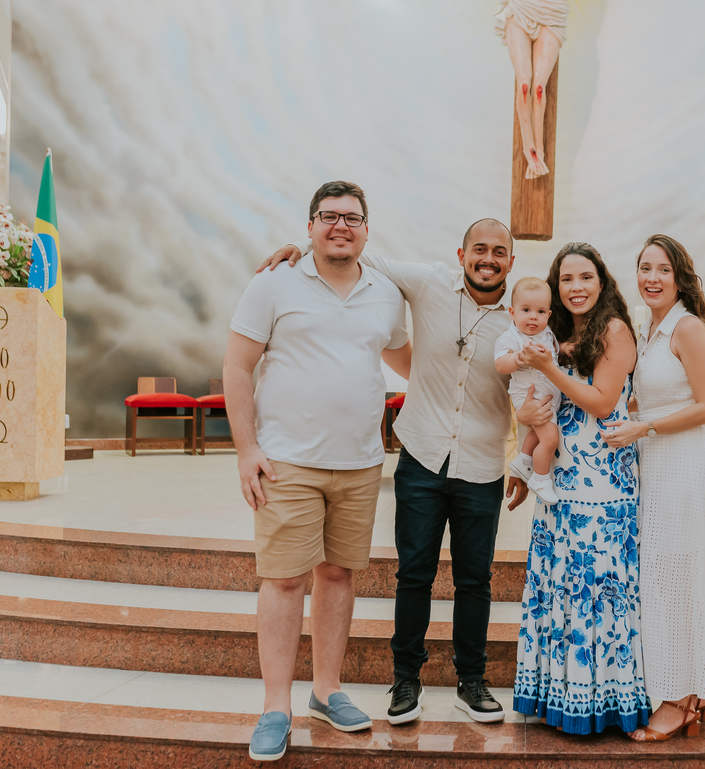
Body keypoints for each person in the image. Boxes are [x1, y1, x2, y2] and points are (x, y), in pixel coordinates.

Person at [258, 218, 536, 726]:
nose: (488, 258)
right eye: (479, 249)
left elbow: (542, 386)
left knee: (475, 579)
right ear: (462, 252)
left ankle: (471, 681)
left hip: (480, 463)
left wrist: (528, 458)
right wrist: (301, 245)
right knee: (414, 575)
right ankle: (405, 679)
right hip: (423, 457)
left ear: (511, 262)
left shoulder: (526, 319)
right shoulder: (428, 281)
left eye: (499, 252)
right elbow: (363, 251)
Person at [225, 181, 410, 761]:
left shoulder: (385, 292)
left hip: (359, 462)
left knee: (338, 576)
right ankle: (275, 706)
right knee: (283, 580)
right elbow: (236, 366)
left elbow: (408, 359)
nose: (341, 226)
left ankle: (326, 691)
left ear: (365, 229)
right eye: (329, 217)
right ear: (308, 227)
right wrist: (247, 449)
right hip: (288, 463)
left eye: (352, 218)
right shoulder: (275, 282)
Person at [601, 234, 705, 742]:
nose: (651, 278)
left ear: (679, 276)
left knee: (675, 576)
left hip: (686, 465)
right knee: (666, 575)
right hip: (658, 462)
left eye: (662, 269)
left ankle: (678, 700)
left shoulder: (687, 327)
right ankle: (695, 692)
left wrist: (644, 428)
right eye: (644, 268)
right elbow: (658, 397)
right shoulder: (651, 328)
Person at [508, 242, 652, 735]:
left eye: (585, 277)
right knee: (560, 584)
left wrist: (548, 366)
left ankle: (608, 700)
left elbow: (601, 399)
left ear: (602, 281)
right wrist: (525, 457)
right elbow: (538, 400)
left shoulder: (614, 330)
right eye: (566, 279)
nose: (575, 288)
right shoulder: (555, 332)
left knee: (600, 589)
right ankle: (560, 695)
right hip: (561, 479)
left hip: (603, 482)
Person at [495, 0, 568, 179]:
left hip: (552, 10)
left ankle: (540, 151)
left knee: (538, 88)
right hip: (521, 6)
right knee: (524, 84)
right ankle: (530, 149)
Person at [494, 276, 561, 504]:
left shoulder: (548, 335)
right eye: (526, 310)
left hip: (548, 397)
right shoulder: (510, 338)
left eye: (541, 311)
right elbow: (501, 365)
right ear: (512, 312)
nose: (533, 316)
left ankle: (523, 459)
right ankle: (540, 479)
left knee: (538, 433)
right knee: (550, 439)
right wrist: (519, 357)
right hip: (529, 396)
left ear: (549, 315)